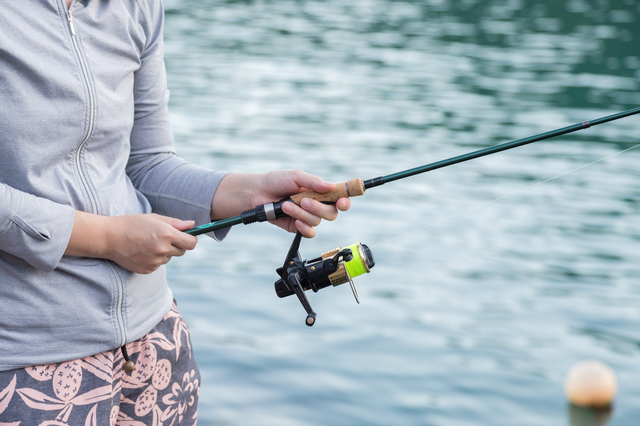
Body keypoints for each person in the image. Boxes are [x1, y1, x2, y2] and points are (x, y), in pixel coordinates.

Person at [0, 0, 350, 424]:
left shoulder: (136, 7)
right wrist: (108, 238)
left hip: (157, 345)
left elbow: (146, 163)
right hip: (25, 365)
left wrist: (249, 192)